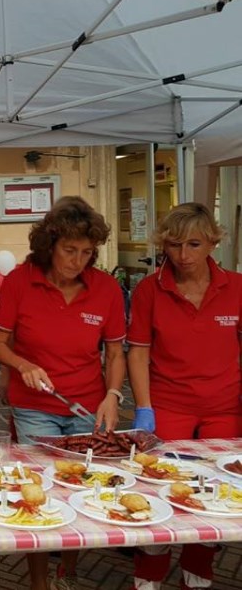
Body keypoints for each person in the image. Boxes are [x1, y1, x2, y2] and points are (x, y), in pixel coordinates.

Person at [0, 196, 126, 590]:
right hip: (34, 406)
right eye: (69, 250)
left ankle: (68, 568)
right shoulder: (19, 281)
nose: (77, 260)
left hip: (87, 405)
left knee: (78, 487)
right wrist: (23, 366)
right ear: (50, 244)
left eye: (86, 252)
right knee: (38, 489)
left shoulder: (106, 289)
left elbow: (115, 352)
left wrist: (112, 396)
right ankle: (38, 581)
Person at [127, 203, 242, 590]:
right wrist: (144, 407)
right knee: (160, 486)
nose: (184, 255)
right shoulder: (150, 289)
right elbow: (139, 350)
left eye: (194, 244)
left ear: (213, 242)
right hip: (168, 404)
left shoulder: (237, 287)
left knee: (217, 491)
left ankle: (199, 570)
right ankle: (148, 575)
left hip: (223, 406)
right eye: (174, 245)